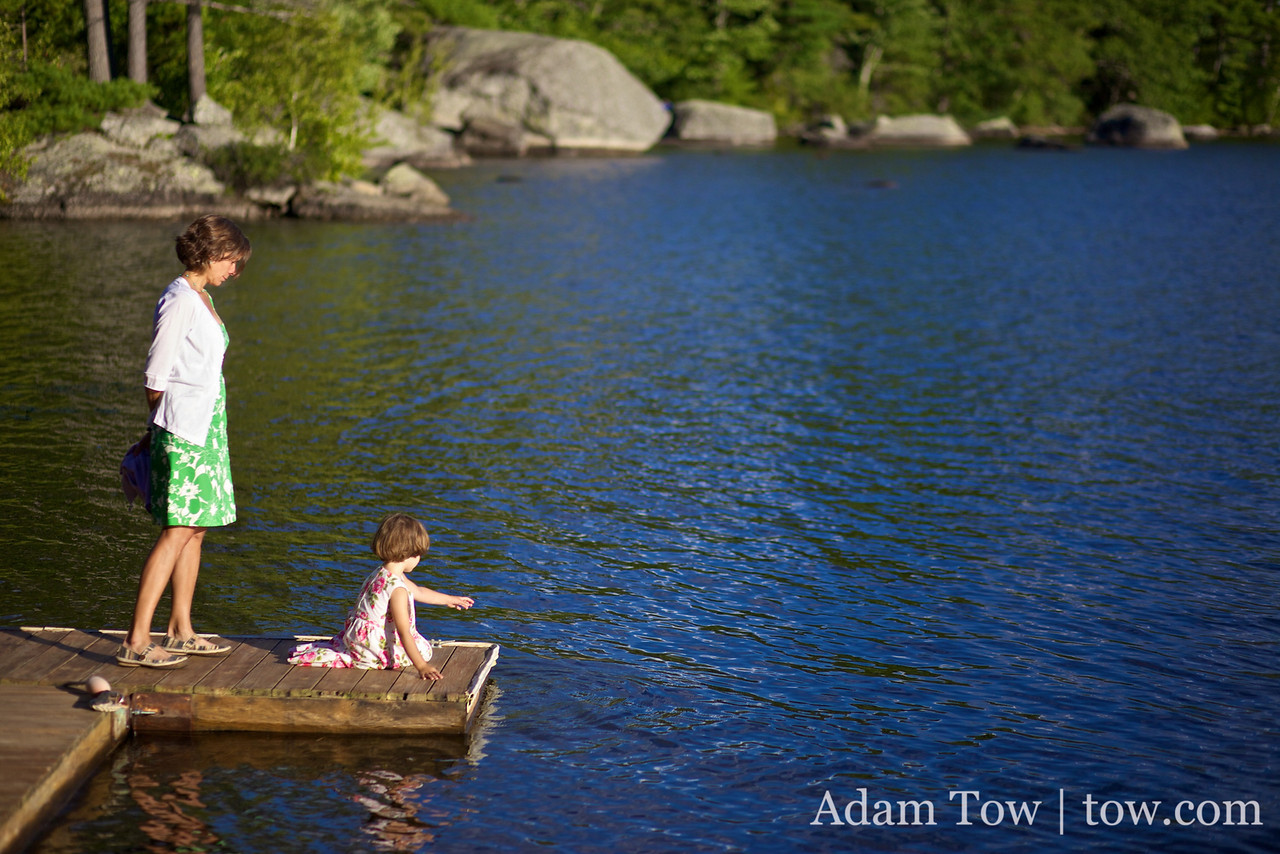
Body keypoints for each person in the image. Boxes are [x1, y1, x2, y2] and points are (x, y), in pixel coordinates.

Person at [117, 215, 252, 668]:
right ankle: (137, 640)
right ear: (212, 254)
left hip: (206, 427)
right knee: (177, 530)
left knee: (196, 529)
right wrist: (160, 428)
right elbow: (156, 374)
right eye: (233, 261)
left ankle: (180, 630)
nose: (235, 270)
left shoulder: (201, 296)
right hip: (182, 429)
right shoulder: (178, 299)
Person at [288, 514, 474, 680]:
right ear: (409, 554)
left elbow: (418, 591)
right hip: (371, 647)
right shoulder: (397, 589)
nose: (419, 559)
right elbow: (403, 632)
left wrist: (449, 599)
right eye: (418, 555)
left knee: (422, 646)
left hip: (356, 638)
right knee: (424, 651)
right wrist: (421, 666)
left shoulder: (382, 573)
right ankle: (379, 657)